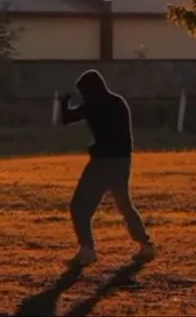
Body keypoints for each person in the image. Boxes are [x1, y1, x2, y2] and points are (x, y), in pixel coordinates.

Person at [61, 68, 155, 266]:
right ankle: (145, 244)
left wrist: (64, 102)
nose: (83, 96)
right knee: (124, 205)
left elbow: (67, 119)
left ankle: (87, 249)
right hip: (122, 161)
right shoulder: (118, 102)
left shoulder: (93, 105)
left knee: (79, 206)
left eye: (83, 92)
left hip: (102, 163)